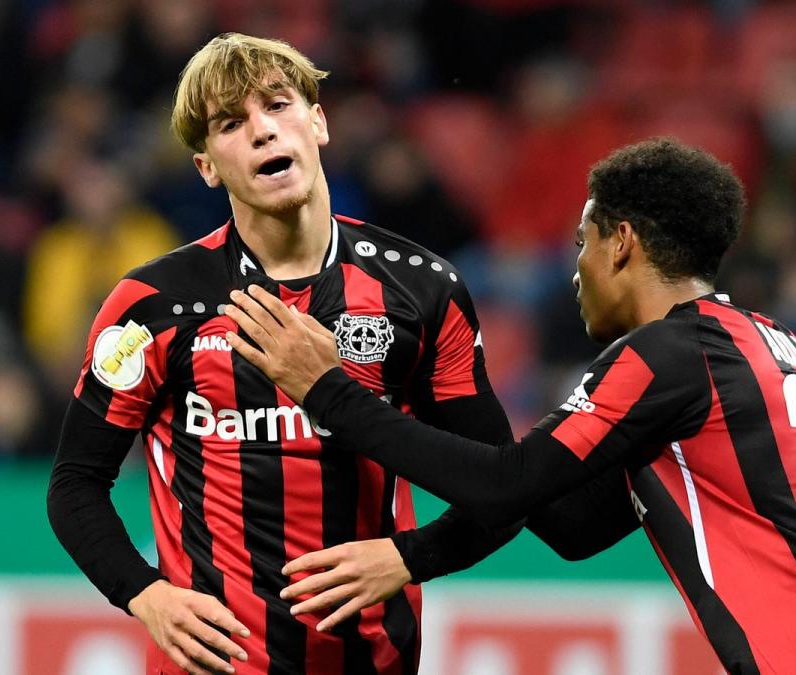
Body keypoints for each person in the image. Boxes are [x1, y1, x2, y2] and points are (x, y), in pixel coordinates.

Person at [224, 139, 796, 674]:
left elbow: (507, 483)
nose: (575, 269)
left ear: (621, 243)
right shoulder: (758, 341)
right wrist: (447, 413)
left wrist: (330, 391)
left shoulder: (666, 354)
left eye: (581, 241)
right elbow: (568, 523)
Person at [47, 33, 521, 675]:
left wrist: (410, 557)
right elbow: (75, 484)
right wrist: (146, 595)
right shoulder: (153, 305)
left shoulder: (420, 290)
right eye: (230, 124)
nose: (262, 131)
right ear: (207, 167)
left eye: (277, 105)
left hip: (374, 662)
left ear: (318, 122)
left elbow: (501, 486)